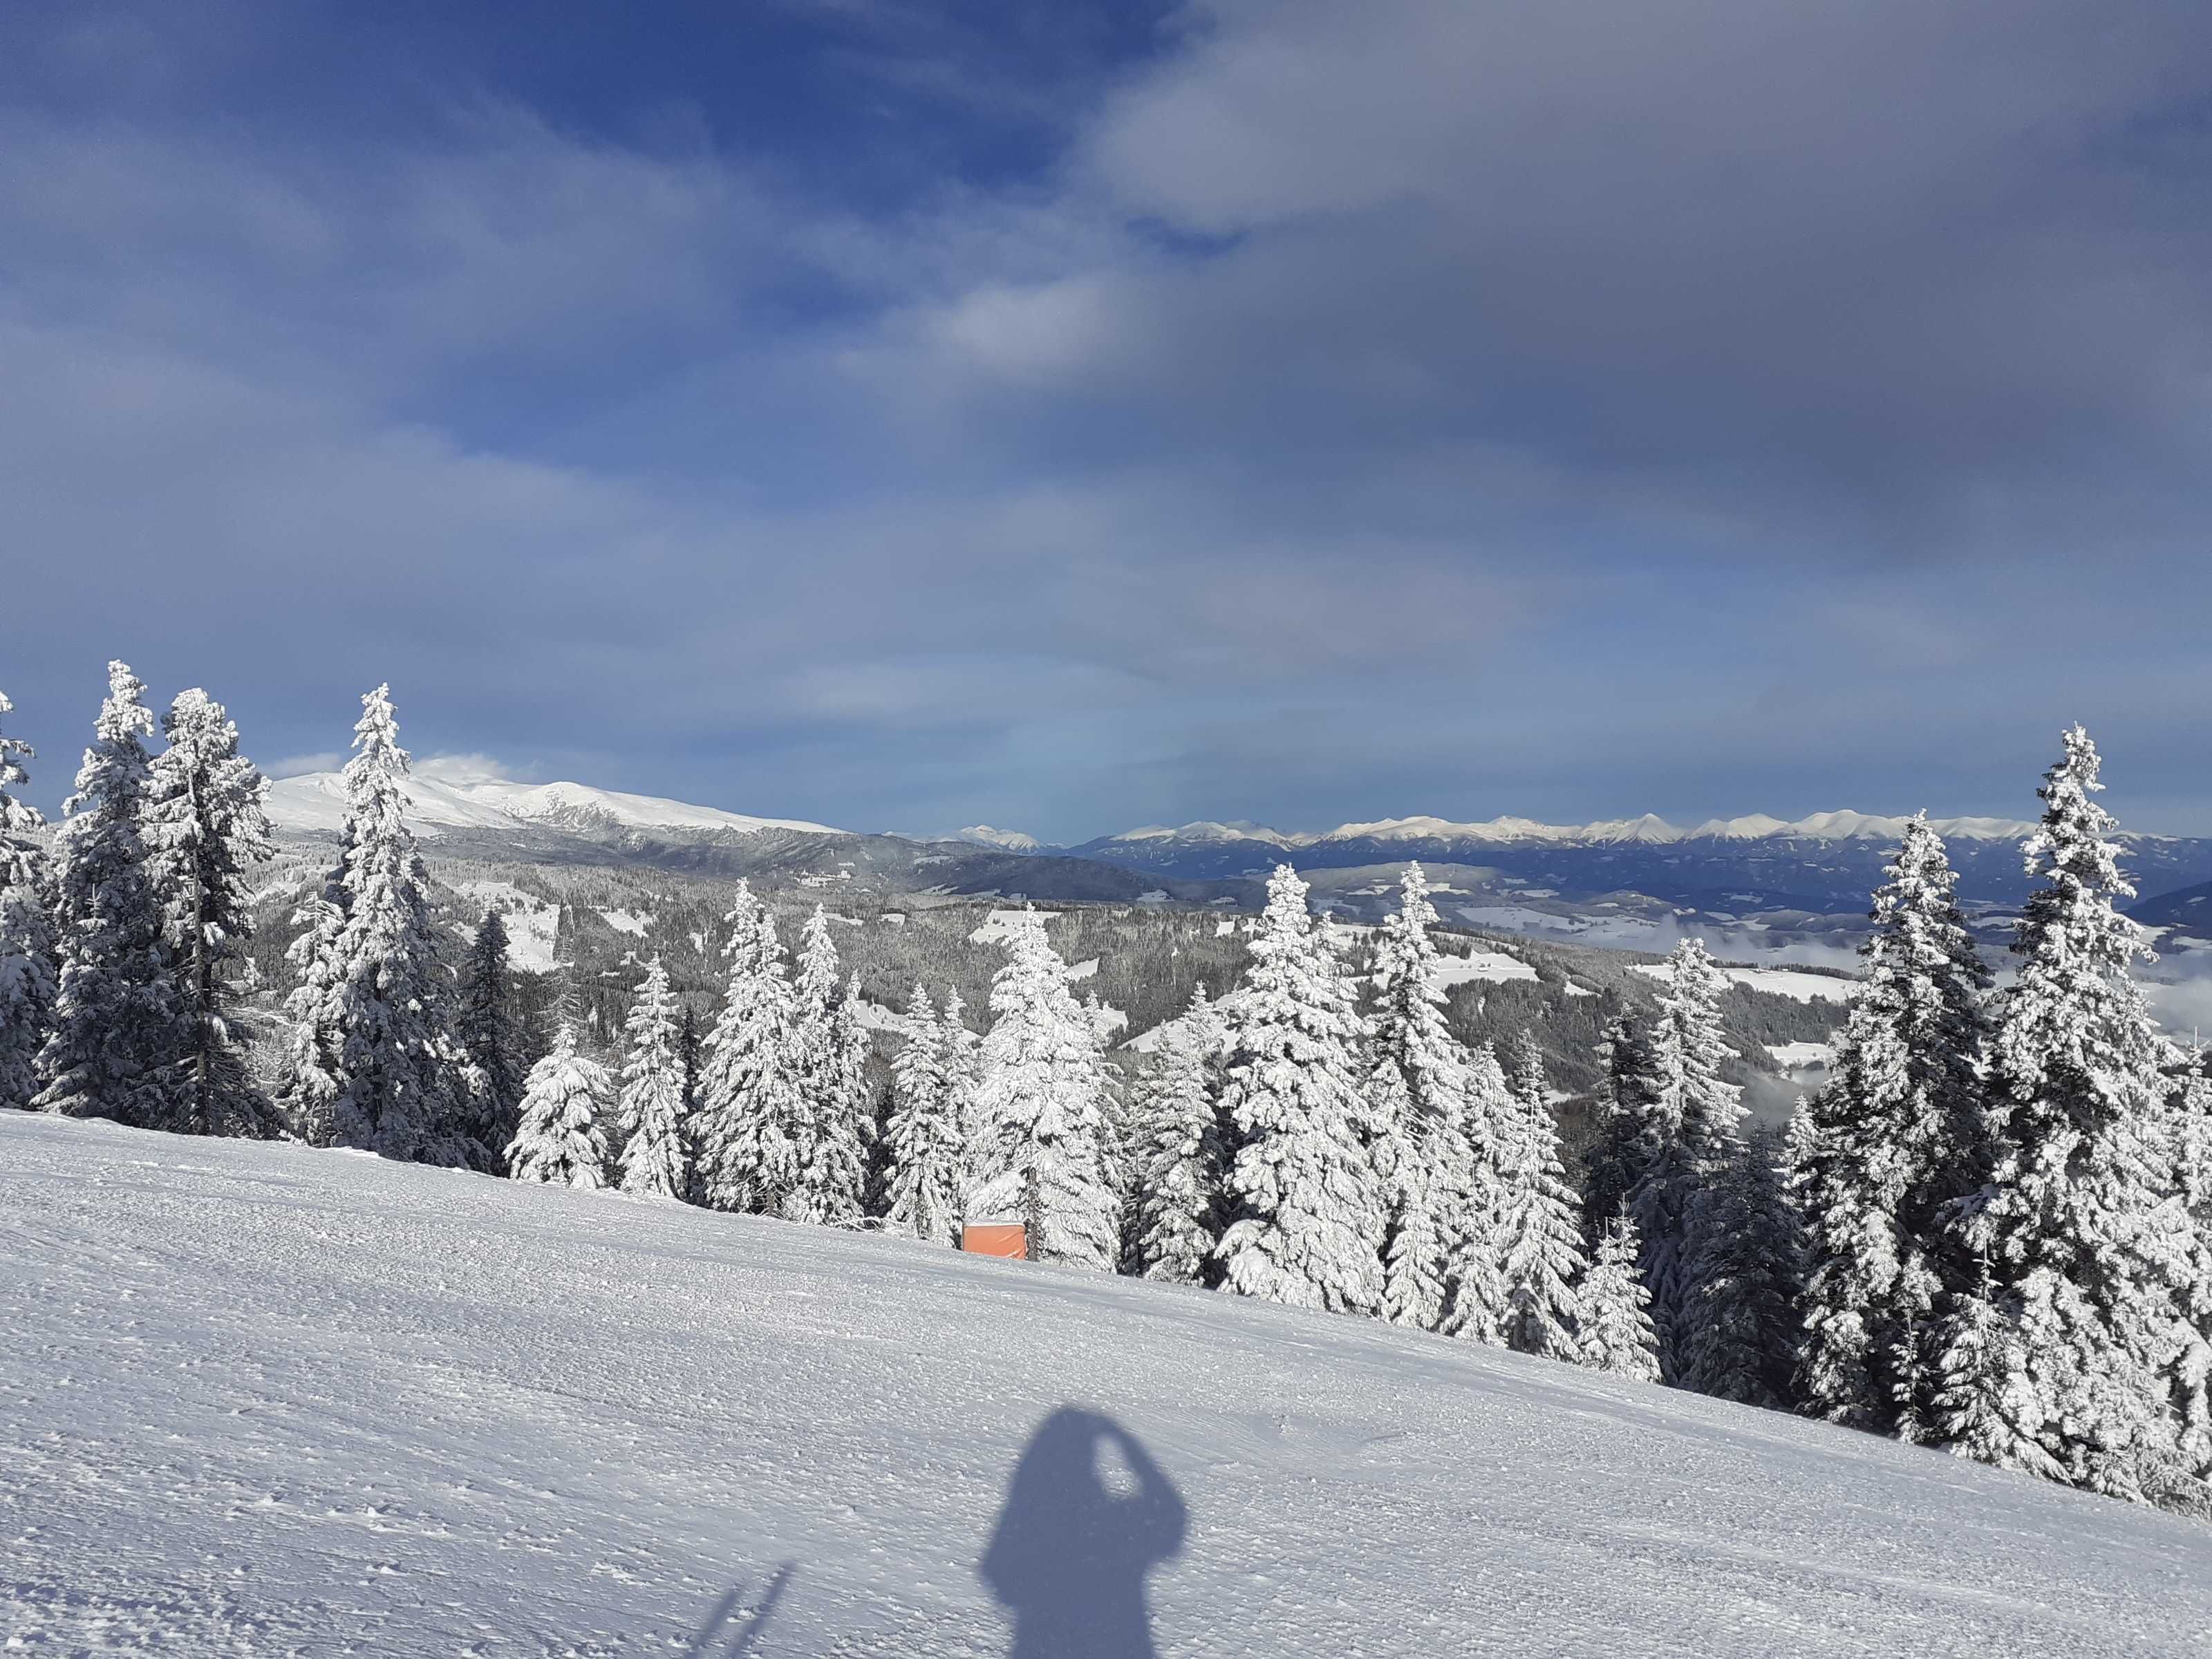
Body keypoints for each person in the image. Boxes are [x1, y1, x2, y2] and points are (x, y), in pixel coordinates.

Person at [979, 1407, 1188, 1659]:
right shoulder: (1117, 1523)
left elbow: (1000, 1577)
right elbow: (1170, 1514)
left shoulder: (1034, 1521)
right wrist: (1123, 1441)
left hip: (1047, 1647)